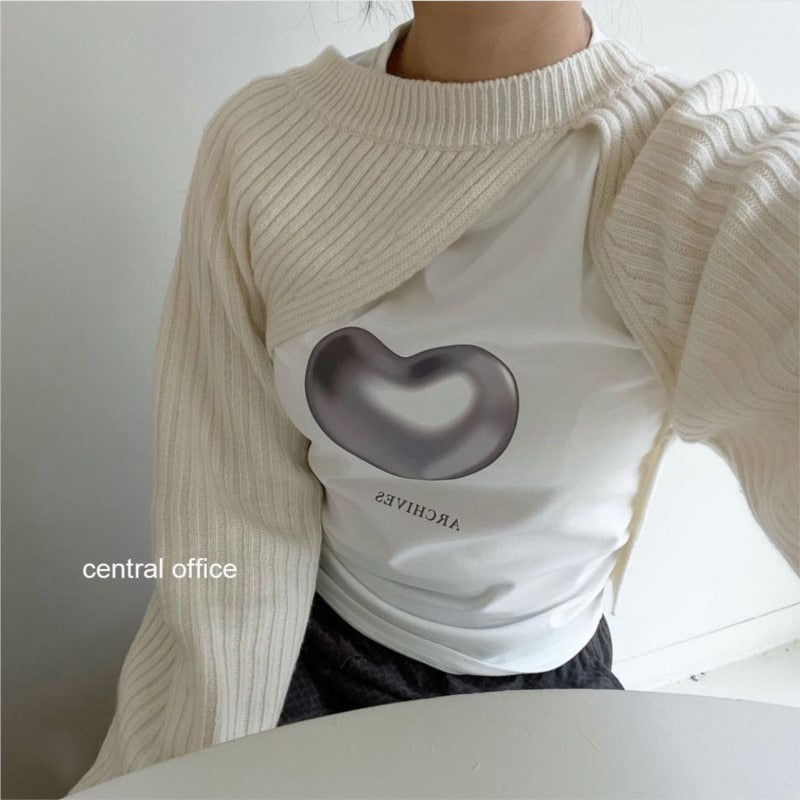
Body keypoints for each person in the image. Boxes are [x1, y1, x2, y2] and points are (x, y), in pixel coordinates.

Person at [68, 1, 799, 793]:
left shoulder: (681, 168)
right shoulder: (262, 145)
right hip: (304, 651)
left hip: (543, 693)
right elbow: (227, 505)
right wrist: (210, 753)